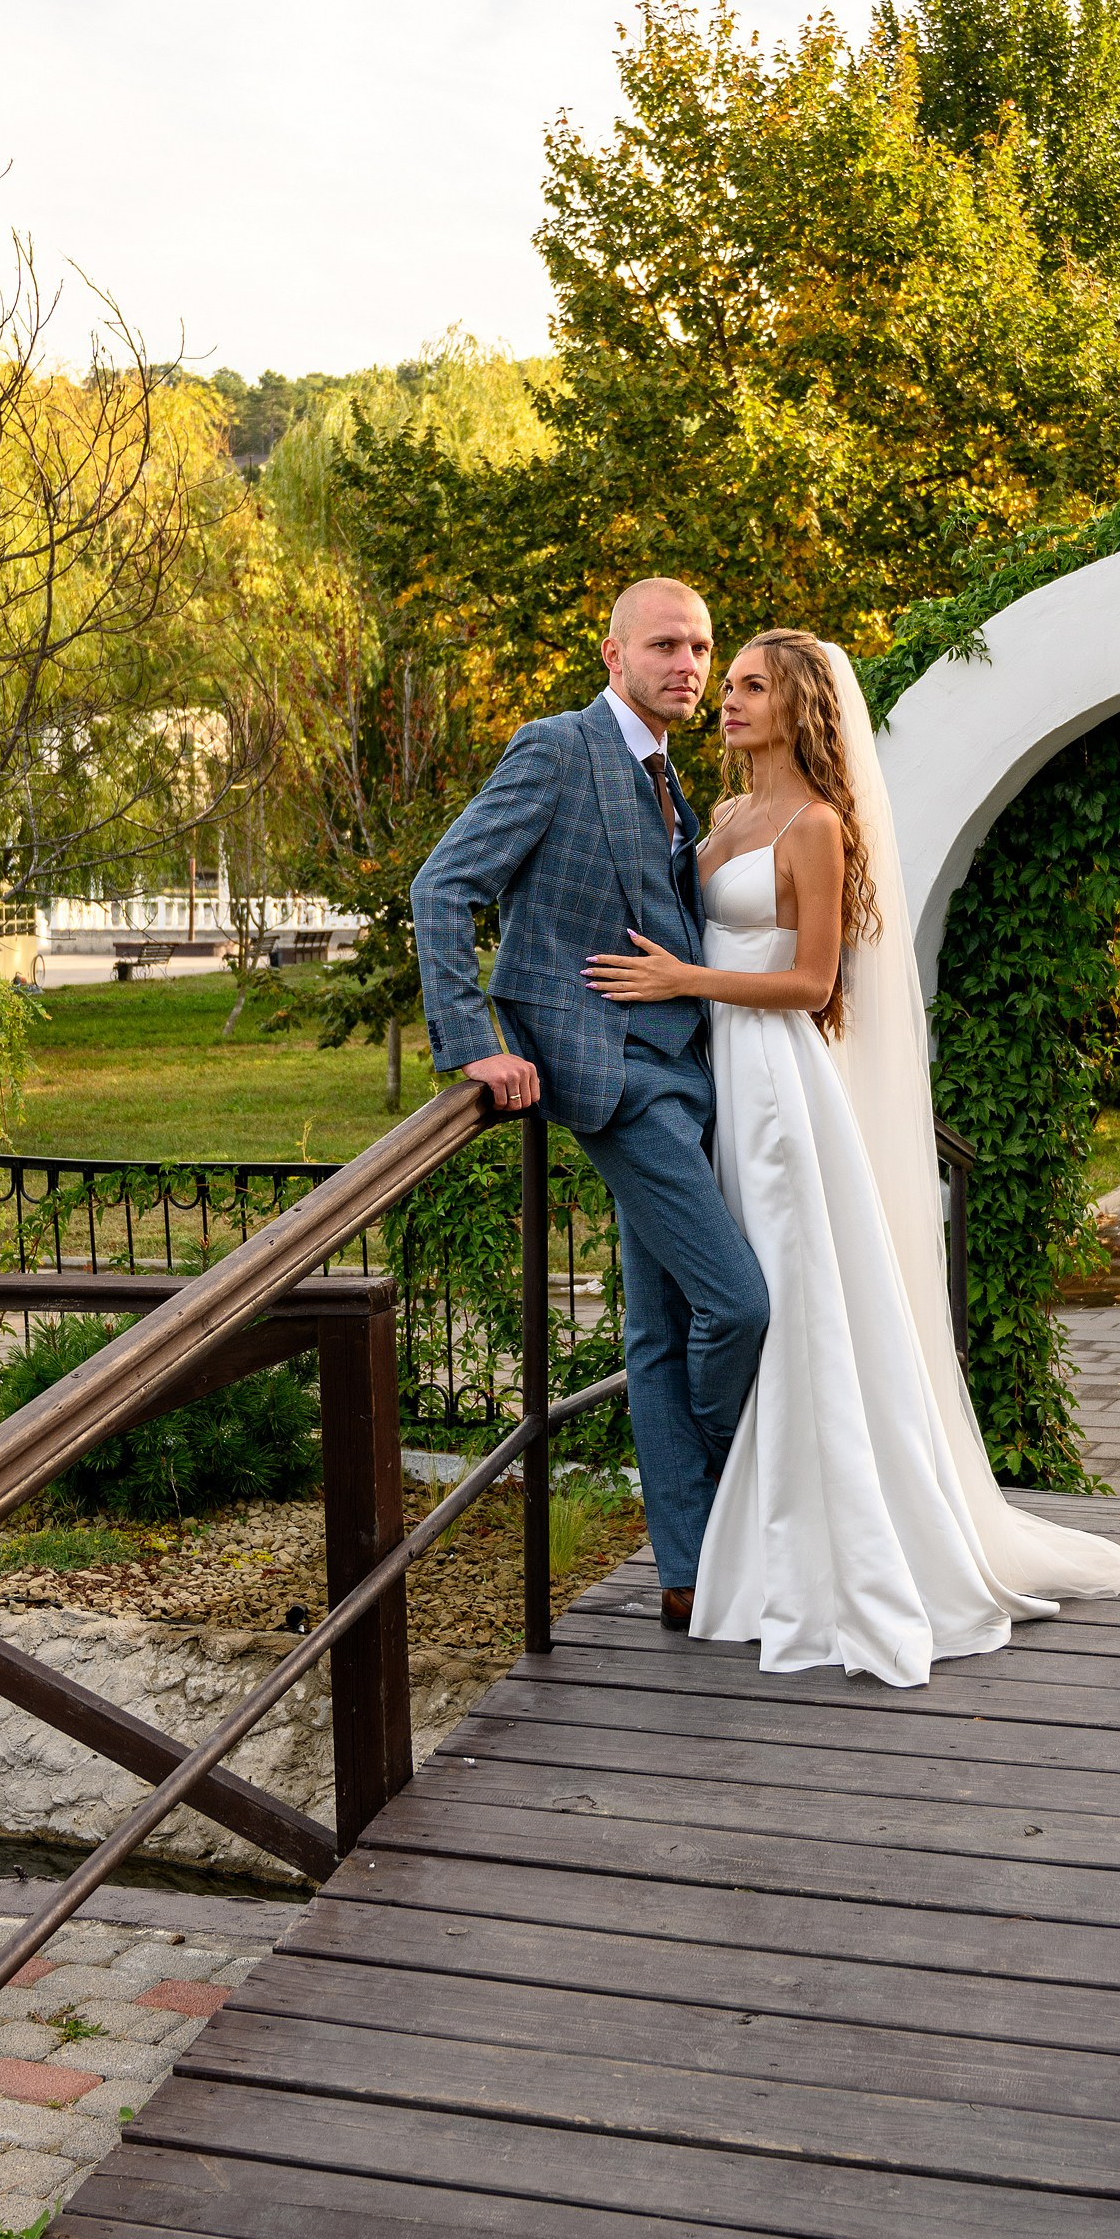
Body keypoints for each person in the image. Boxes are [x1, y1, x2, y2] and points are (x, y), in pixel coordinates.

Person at [586, 628, 1120, 1684]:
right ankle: (742, 1519)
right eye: (731, 684)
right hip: (708, 1075)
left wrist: (684, 984)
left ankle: (807, 1525)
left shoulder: (814, 827)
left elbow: (812, 985)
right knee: (701, 1301)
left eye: (752, 686)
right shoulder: (719, 816)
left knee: (777, 1297)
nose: (728, 698)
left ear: (800, 705)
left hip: (775, 1081)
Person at [410, 579, 770, 1622]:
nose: (688, 666)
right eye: (664, 645)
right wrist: (474, 1043)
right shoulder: (558, 747)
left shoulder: (668, 777)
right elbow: (444, 887)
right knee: (738, 1303)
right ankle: (738, 1496)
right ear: (612, 655)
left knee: (658, 1337)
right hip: (614, 1080)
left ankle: (688, 1566)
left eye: (700, 648)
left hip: (689, 1073)